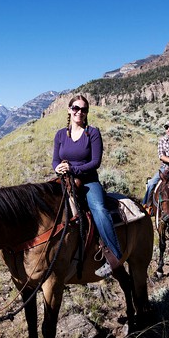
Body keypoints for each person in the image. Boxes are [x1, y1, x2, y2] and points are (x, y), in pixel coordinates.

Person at [53, 95, 122, 278]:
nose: (79, 112)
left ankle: (114, 257)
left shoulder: (92, 133)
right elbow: (55, 160)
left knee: (99, 209)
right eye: (76, 108)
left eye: (84, 110)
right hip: (65, 180)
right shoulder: (60, 134)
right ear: (69, 110)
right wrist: (57, 168)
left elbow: (95, 162)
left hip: (89, 181)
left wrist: (73, 168)